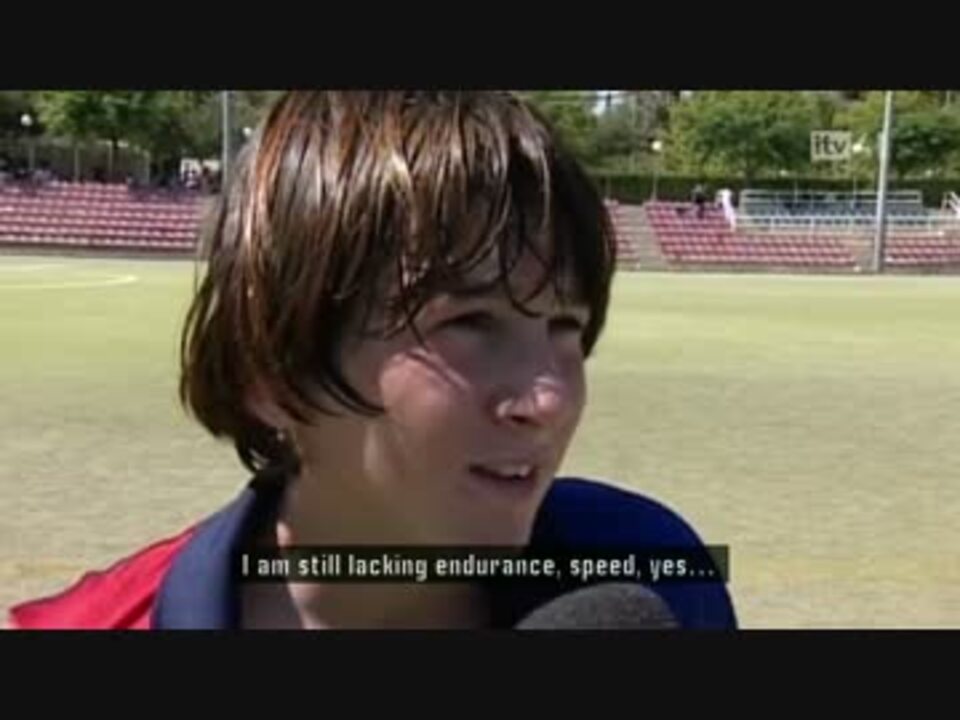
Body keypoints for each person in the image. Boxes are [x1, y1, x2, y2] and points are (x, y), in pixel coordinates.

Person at [8, 91, 737, 630]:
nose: (547, 399)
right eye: (469, 322)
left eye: (564, 325)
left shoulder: (657, 574)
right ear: (273, 369)